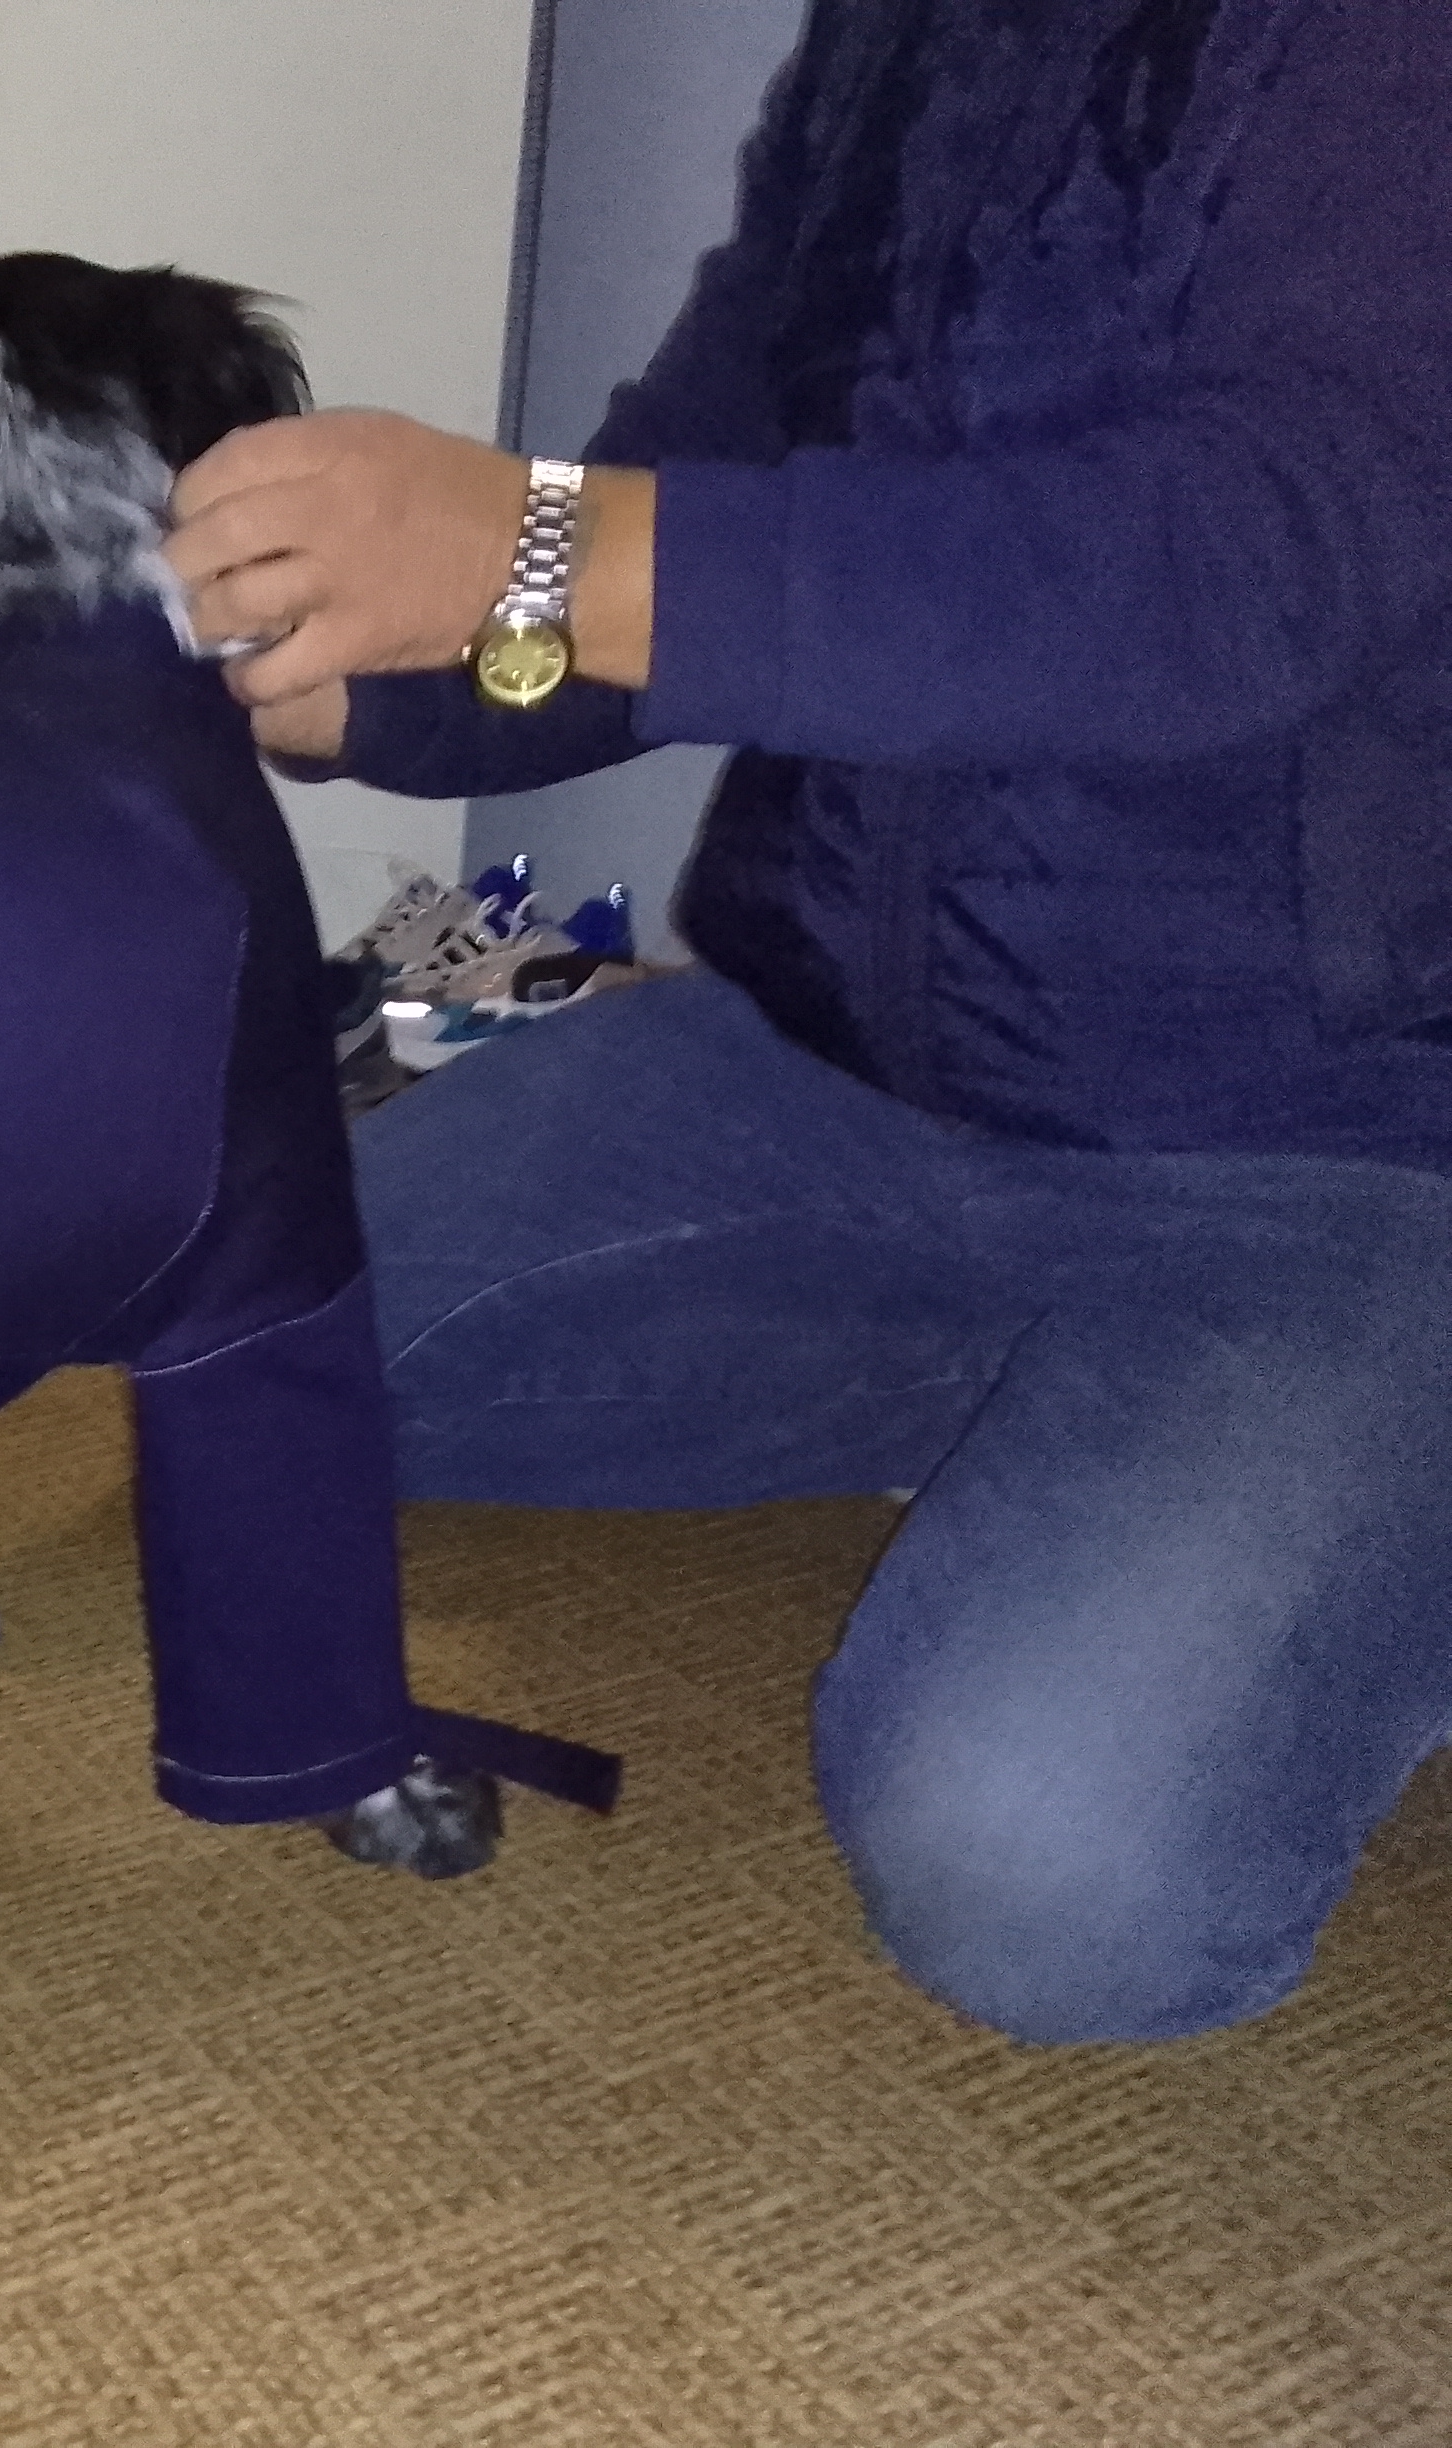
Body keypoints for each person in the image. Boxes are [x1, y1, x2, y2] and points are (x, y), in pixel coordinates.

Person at [162, 0, 1452, 2046]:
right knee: (237, 1361)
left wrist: (534, 546)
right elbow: (698, 490)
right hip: (827, 1066)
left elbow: (1246, 554)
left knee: (1054, 1881)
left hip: (1344, 1154)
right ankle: (1027, 1408)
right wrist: (380, 687)